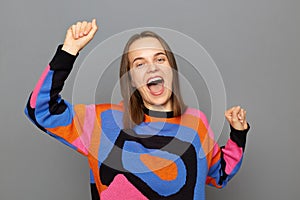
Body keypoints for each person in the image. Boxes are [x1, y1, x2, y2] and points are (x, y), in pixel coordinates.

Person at [24, 19, 250, 200]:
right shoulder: (103, 121)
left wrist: (238, 134)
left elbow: (220, 174)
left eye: (160, 59)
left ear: (171, 69)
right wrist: (68, 51)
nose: (152, 67)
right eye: (139, 64)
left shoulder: (196, 123)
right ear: (131, 79)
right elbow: (41, 110)